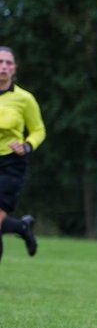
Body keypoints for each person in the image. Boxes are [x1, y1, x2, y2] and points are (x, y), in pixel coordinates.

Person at [0, 47, 43, 264]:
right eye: (0, 62)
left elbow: (38, 130)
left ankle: (21, 226)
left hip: (11, 163)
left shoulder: (24, 99)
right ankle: (21, 227)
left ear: (14, 68)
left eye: (8, 63)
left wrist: (27, 145)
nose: (3, 67)